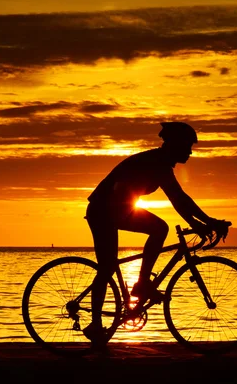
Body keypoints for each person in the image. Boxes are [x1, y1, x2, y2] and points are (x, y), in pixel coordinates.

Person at [83, 121, 226, 346]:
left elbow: (179, 199)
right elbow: (179, 200)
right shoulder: (156, 163)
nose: (190, 151)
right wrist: (202, 223)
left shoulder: (161, 165)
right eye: (187, 146)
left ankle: (141, 285)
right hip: (103, 210)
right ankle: (97, 322)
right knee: (108, 266)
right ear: (175, 144)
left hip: (118, 208)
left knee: (159, 229)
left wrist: (207, 222)